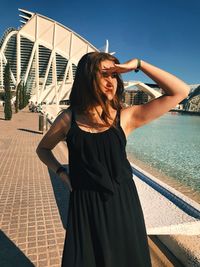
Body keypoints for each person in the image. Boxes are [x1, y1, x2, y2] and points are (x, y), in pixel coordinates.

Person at [36, 52, 189, 267]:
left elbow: (181, 91)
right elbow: (42, 149)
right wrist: (62, 173)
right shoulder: (68, 119)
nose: (112, 82)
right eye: (105, 75)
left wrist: (138, 64)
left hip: (122, 207)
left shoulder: (125, 117)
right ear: (88, 78)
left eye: (115, 76)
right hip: (85, 209)